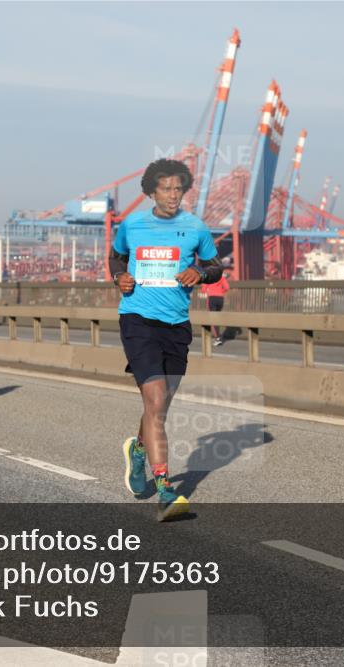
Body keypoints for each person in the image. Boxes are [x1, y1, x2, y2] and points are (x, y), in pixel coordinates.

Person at [109, 159, 223, 521]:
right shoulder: (132, 224)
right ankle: (166, 490)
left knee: (160, 406)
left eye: (178, 188)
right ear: (150, 192)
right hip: (138, 319)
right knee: (155, 399)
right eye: (166, 189)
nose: (173, 195)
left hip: (177, 324)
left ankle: (138, 452)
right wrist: (120, 278)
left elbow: (216, 265)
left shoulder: (195, 228)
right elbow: (115, 258)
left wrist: (200, 272)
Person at [200, 270, 230, 345]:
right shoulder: (221, 277)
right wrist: (220, 292)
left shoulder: (208, 278)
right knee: (217, 318)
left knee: (213, 319)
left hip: (212, 298)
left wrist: (208, 291)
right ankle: (217, 336)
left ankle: (217, 338)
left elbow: (203, 290)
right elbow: (227, 288)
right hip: (220, 299)